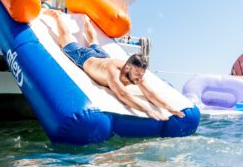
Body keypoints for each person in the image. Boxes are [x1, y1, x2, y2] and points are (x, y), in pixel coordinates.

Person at [44, 9, 184, 120]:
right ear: (128, 68)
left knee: (94, 41)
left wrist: (169, 108)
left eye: (141, 74)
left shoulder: (137, 71)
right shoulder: (112, 71)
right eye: (137, 74)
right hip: (85, 57)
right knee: (65, 39)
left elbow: (150, 93)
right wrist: (149, 111)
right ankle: (57, 16)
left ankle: (86, 20)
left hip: (103, 56)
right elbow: (122, 94)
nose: (139, 78)